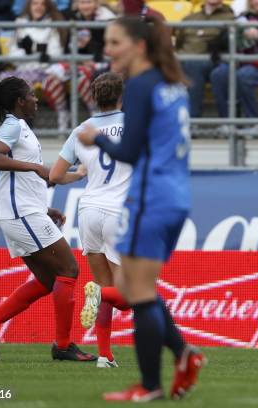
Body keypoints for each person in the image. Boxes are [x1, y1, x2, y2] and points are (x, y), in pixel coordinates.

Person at [76, 16, 205, 402]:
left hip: (151, 197)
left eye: (115, 42)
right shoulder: (172, 83)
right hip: (174, 196)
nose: (108, 50)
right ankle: (183, 354)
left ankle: (150, 385)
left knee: (140, 293)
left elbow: (128, 151)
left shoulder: (141, 86)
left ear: (140, 46)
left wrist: (94, 136)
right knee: (136, 289)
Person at [0, 72, 96, 362]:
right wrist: (35, 168)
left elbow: (20, 181)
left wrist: (45, 209)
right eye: (31, 95)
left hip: (24, 212)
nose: (36, 99)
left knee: (48, 279)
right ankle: (63, 345)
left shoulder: (22, 127)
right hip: (19, 214)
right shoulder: (13, 126)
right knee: (69, 270)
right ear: (19, 101)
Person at [49, 72, 132, 368]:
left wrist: (79, 174)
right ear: (121, 96)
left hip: (89, 211)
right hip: (119, 212)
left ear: (95, 98)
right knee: (129, 293)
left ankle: (105, 356)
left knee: (104, 285)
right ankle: (97, 295)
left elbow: (55, 176)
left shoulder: (82, 129)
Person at [43, 0, 116, 129]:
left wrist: (89, 44)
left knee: (82, 76)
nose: (86, 6)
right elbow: (67, 49)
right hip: (75, 62)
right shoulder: (71, 18)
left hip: (101, 64)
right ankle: (62, 114)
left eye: (89, 2)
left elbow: (105, 49)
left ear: (96, 4)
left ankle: (96, 113)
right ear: (77, 5)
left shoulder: (107, 19)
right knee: (52, 79)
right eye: (82, 2)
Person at [0, 0, 69, 128]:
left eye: (42, 4)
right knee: (4, 78)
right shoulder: (20, 23)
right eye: (35, 3)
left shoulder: (53, 23)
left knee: (44, 82)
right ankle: (12, 122)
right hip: (22, 67)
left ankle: (62, 119)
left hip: (43, 70)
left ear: (47, 7)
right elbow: (13, 53)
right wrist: (26, 51)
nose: (39, 7)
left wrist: (33, 49)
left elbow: (54, 52)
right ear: (29, 6)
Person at [175, 0, 235, 118]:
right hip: (185, 63)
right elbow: (179, 43)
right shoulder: (189, 18)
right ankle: (191, 121)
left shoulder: (230, 18)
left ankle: (195, 120)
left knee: (198, 67)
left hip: (214, 61)